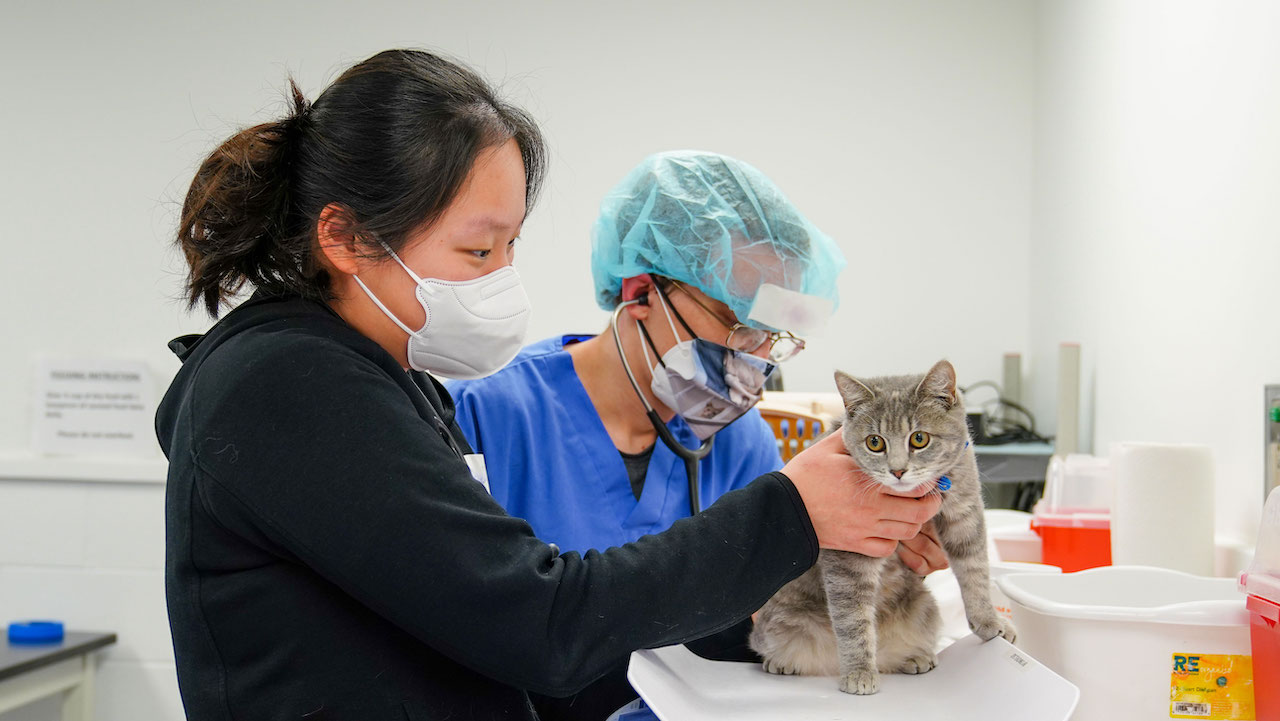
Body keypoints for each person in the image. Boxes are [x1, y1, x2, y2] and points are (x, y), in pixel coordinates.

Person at [156, 49, 943, 721]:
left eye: (511, 247)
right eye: (477, 253)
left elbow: (516, 645)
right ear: (346, 236)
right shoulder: (288, 385)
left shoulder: (391, 385)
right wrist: (793, 513)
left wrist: (825, 588)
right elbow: (541, 620)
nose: (504, 281)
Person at [448, 152, 950, 720]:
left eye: (773, 336)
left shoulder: (741, 442)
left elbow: (763, 623)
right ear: (640, 292)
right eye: (739, 326)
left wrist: (870, 548)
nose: (756, 359)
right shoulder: (484, 418)